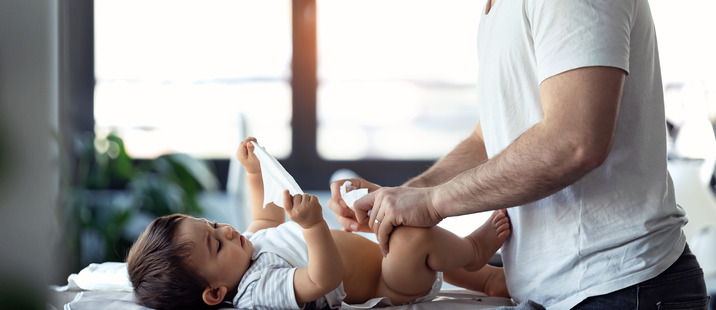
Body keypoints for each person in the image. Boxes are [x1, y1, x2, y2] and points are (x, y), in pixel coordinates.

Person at [327, 0, 709, 309]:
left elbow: (574, 141)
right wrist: (398, 200)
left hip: (623, 287)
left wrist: (432, 203)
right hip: (569, 292)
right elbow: (488, 140)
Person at [126, 137, 510, 310]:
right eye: (216, 244)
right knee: (410, 237)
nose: (226, 231)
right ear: (214, 293)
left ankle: (489, 280)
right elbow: (321, 280)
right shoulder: (257, 290)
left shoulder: (247, 248)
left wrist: (254, 172)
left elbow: (265, 216)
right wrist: (312, 227)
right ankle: (474, 250)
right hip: (391, 283)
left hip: (383, 256)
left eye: (212, 225)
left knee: (395, 224)